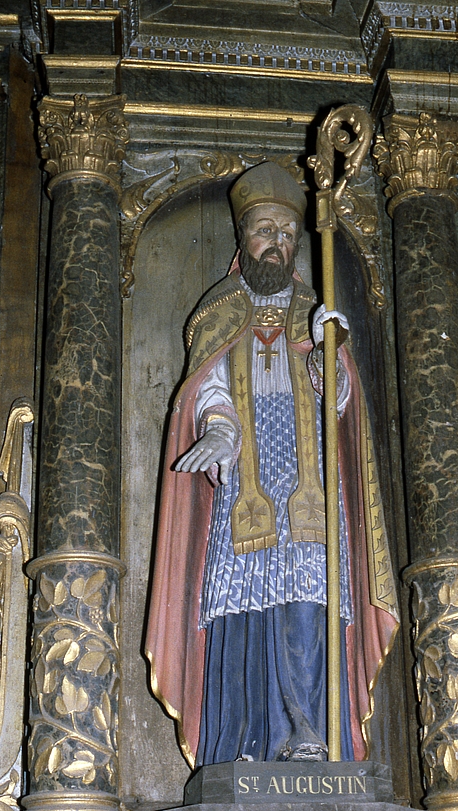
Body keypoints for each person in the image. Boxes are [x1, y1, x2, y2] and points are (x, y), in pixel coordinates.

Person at [145, 162, 398, 768]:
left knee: (308, 608)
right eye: (265, 230)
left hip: (310, 489)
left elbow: (339, 404)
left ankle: (310, 734)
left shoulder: (318, 311)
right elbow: (207, 388)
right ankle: (242, 744)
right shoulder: (217, 311)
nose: (277, 243)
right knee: (246, 614)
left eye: (287, 233)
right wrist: (221, 431)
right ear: (243, 239)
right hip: (244, 492)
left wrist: (328, 358)